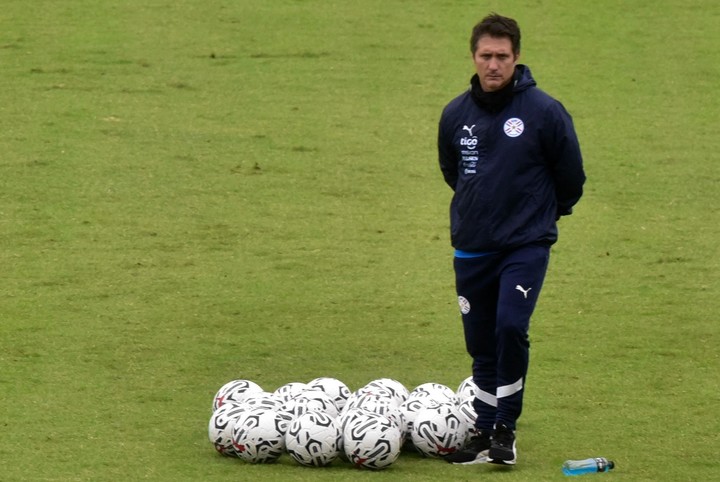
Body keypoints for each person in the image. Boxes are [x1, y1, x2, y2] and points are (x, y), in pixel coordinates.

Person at [438, 13, 585, 466]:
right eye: (487, 56)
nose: (494, 65)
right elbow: (454, 173)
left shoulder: (544, 112)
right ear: (474, 57)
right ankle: (482, 429)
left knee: (509, 327)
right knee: (480, 342)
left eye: (503, 56)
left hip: (525, 245)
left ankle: (505, 427)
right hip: (472, 245)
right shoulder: (455, 114)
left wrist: (539, 216)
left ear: (516, 57)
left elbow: (571, 177)